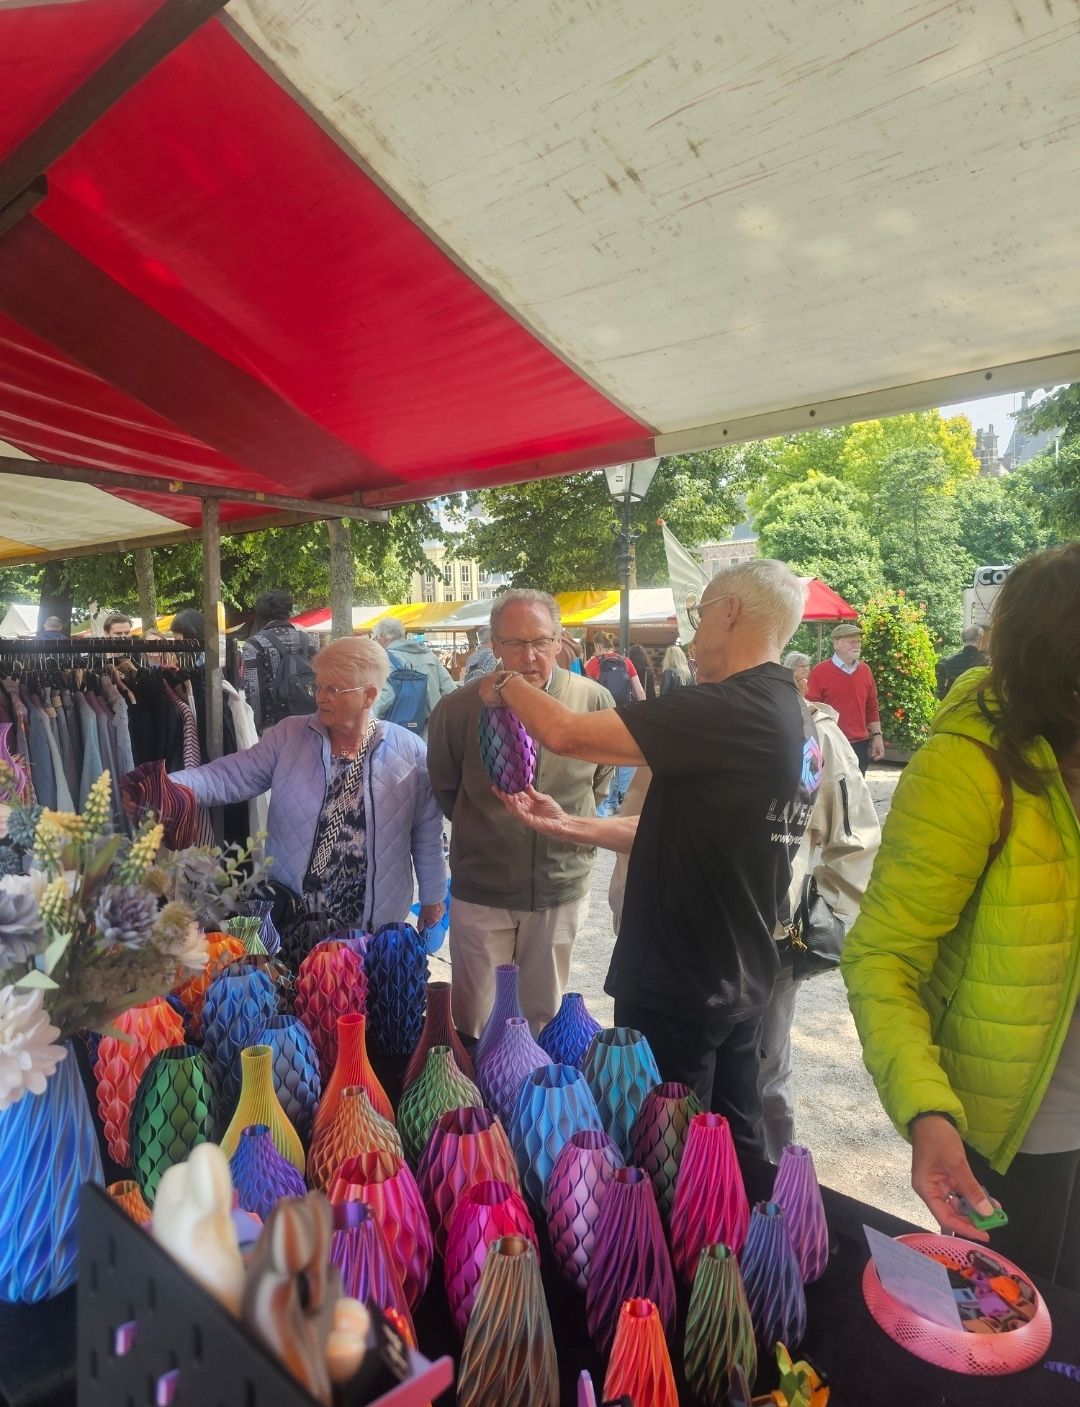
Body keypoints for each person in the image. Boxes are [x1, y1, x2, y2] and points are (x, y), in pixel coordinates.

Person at [485, 559, 818, 1158]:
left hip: (684, 977)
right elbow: (688, 831)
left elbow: (565, 733)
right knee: (731, 1141)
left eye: (698, 613)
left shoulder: (730, 706)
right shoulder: (789, 710)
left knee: (669, 1152)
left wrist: (505, 679)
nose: (692, 629)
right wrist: (571, 824)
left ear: (730, 612)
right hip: (739, 969)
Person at [842, 543, 1080, 1288]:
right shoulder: (966, 766)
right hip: (1017, 1139)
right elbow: (882, 955)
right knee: (1014, 1326)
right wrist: (927, 1112)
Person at [164, 638, 446, 954]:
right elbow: (229, 775)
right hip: (297, 919)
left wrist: (433, 896)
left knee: (368, 987)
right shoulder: (289, 736)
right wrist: (167, 788)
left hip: (373, 925)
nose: (320, 697)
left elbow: (427, 833)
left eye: (333, 689)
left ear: (369, 695)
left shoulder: (410, 751)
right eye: (319, 686)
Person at [426, 589, 614, 1034]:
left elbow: (600, 784)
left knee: (543, 1019)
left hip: (558, 887)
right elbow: (446, 789)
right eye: (514, 643)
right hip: (483, 891)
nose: (529, 656)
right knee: (475, 1022)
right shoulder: (459, 707)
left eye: (540, 642)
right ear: (494, 644)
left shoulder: (592, 702)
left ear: (558, 641)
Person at [758, 650, 880, 1160]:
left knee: (766, 1067)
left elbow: (854, 842)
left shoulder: (817, 734)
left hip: (774, 939)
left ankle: (773, 1177)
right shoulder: (698, 720)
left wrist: (820, 919)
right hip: (699, 936)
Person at [805, 623, 884, 774]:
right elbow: (811, 709)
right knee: (833, 786)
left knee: (858, 786)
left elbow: (871, 706)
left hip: (860, 743)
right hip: (831, 743)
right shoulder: (820, 672)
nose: (857, 645)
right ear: (836, 644)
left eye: (859, 641)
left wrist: (877, 736)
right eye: (852, 642)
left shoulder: (865, 671)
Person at [242, 589, 319, 733]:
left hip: (275, 725)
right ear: (288, 610)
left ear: (261, 613)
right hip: (310, 721)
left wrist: (257, 727)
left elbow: (254, 691)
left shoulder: (255, 644)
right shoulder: (307, 640)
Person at [585, 632, 645, 814]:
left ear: (598, 646)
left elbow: (588, 694)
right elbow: (640, 693)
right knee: (626, 760)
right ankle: (624, 801)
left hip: (603, 717)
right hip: (625, 716)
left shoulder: (592, 664)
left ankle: (607, 803)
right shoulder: (626, 662)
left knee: (606, 761)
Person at [372, 616, 456, 741]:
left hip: (401, 735)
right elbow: (450, 690)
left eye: (376, 638)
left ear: (384, 637)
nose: (376, 642)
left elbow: (383, 701)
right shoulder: (429, 655)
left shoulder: (386, 660)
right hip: (434, 731)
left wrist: (370, 725)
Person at [936, 624, 989, 700]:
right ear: (980, 639)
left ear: (962, 639)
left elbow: (940, 692)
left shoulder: (946, 662)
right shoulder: (987, 662)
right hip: (978, 704)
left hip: (953, 703)